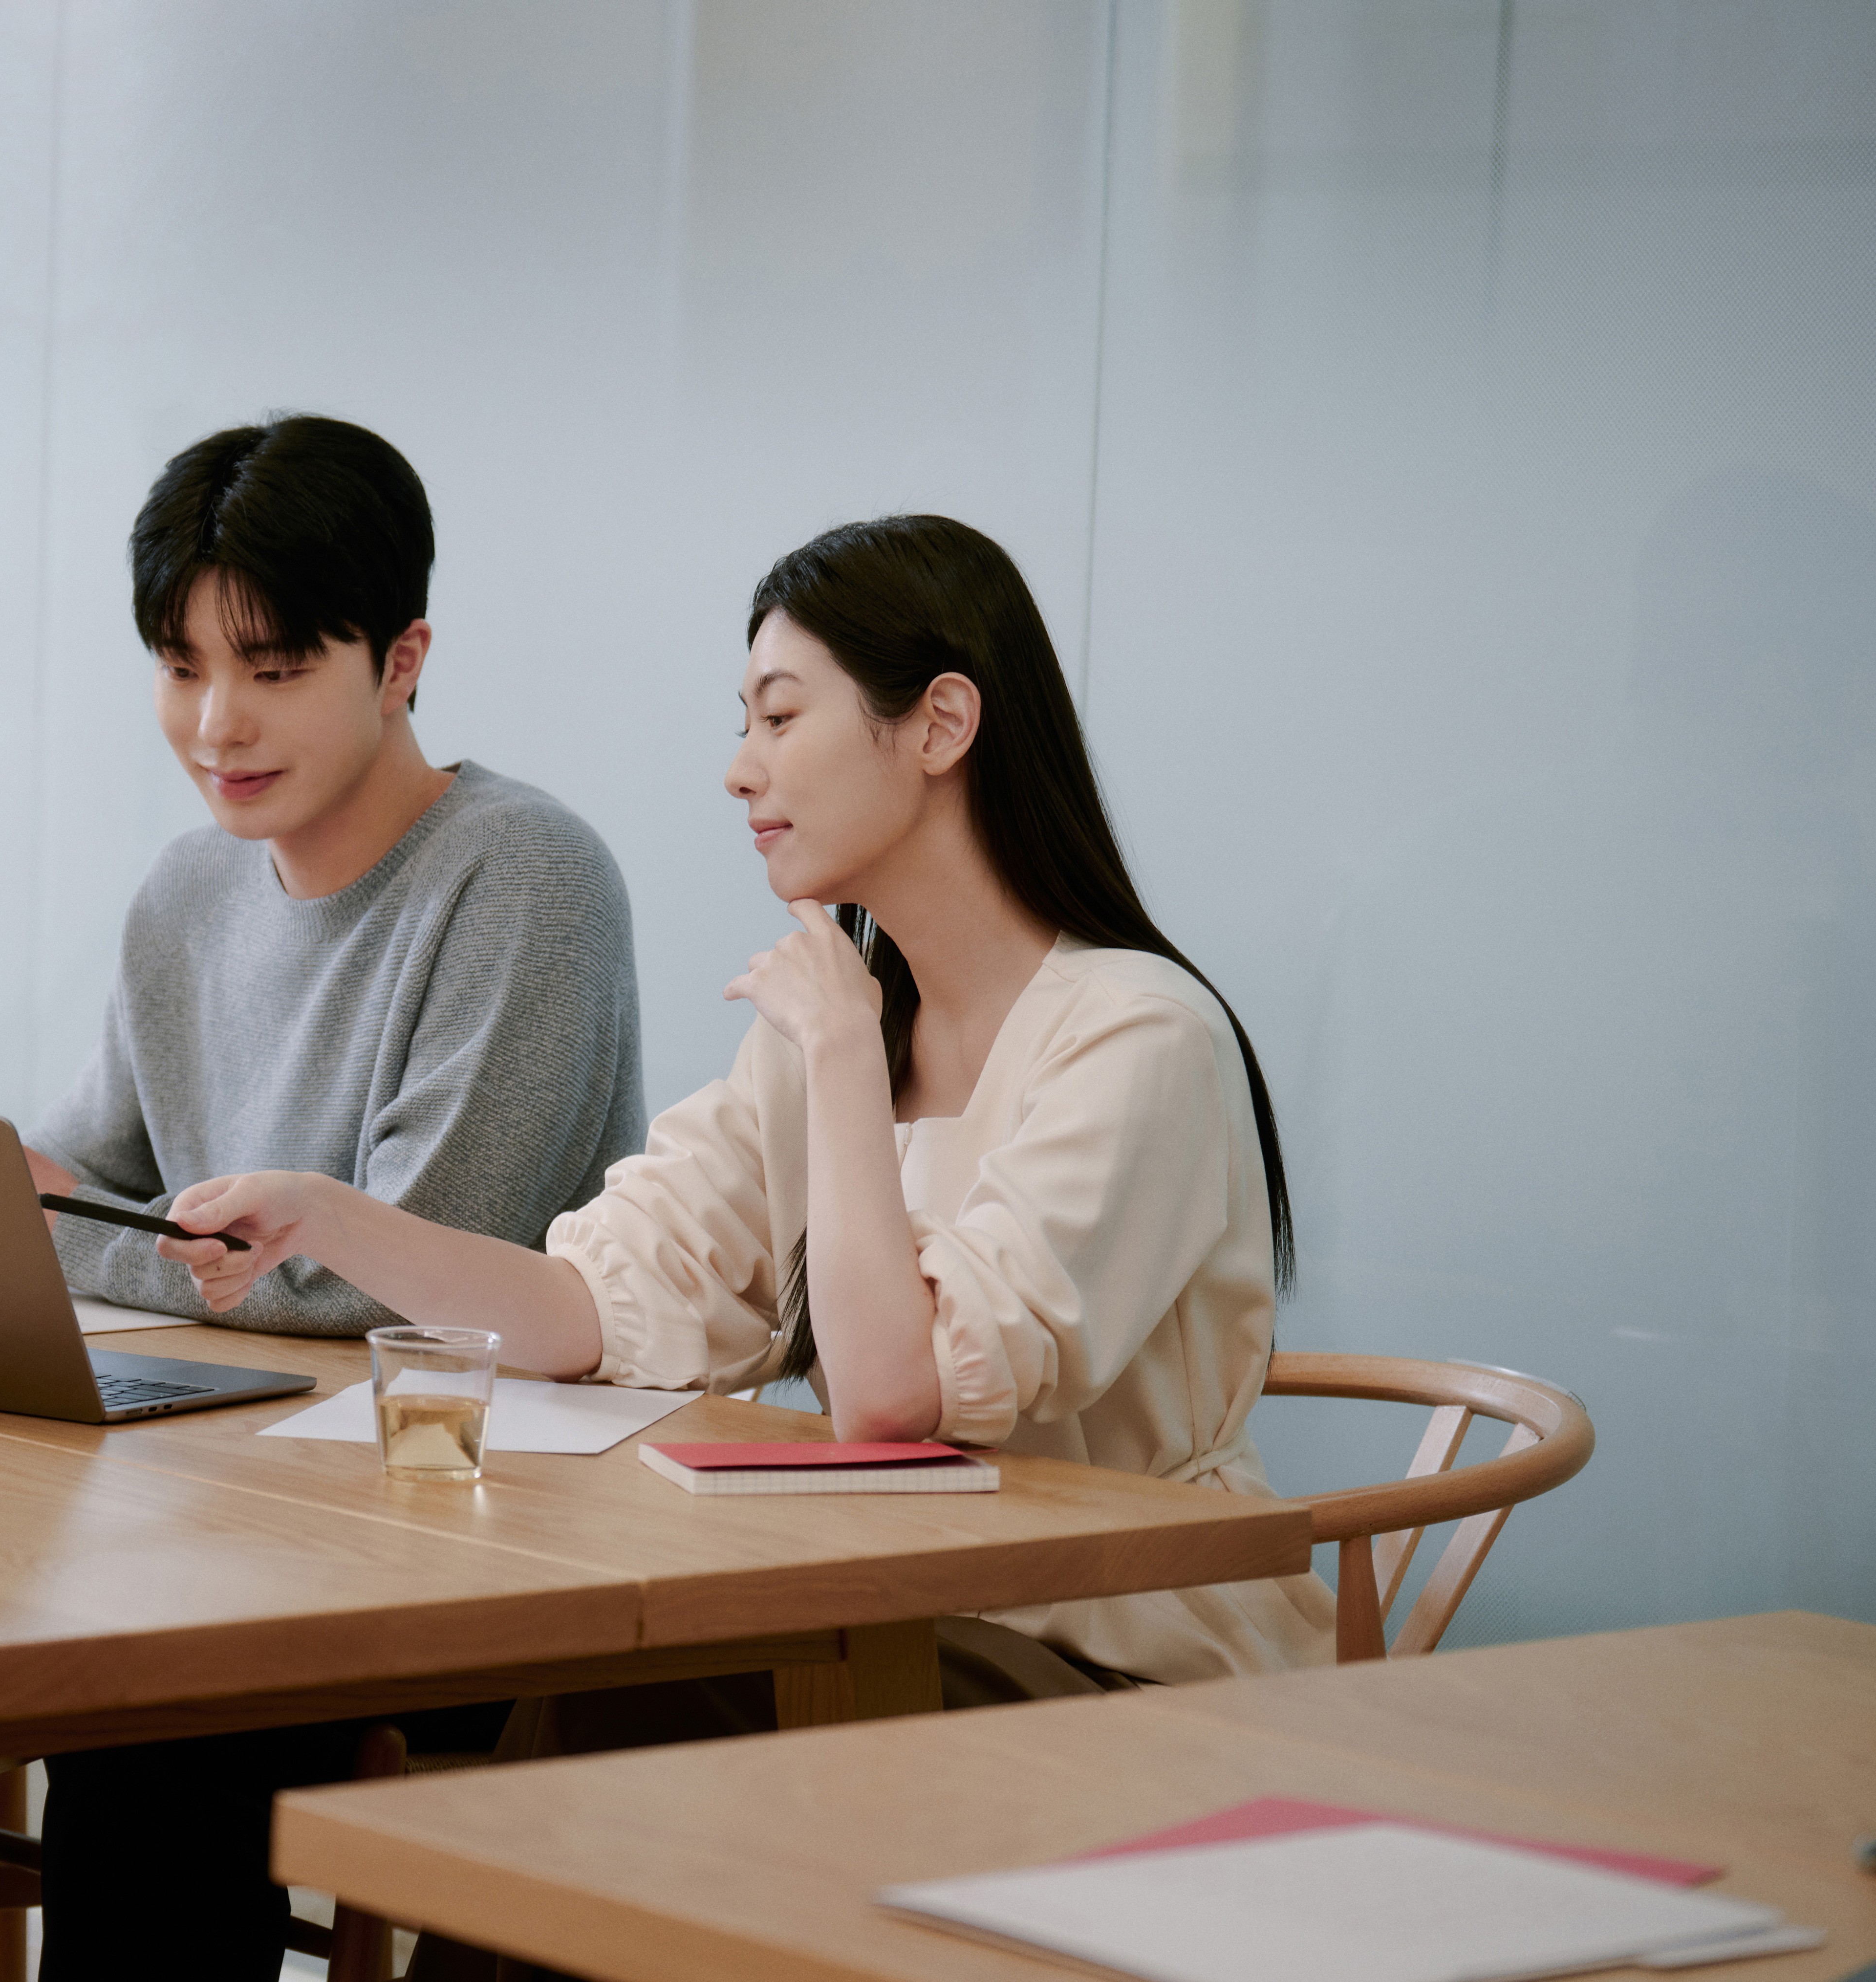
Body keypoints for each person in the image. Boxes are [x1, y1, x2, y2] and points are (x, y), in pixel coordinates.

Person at [162, 514, 1337, 1699]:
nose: (739, 767)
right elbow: (582, 1314)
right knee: (593, 1689)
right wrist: (322, 1218)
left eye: (779, 717)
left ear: (940, 724)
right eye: (744, 725)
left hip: (1110, 1645)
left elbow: (889, 1404)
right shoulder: (830, 1028)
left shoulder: (1136, 1035)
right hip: (891, 1598)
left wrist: (836, 1053)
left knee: (634, 1711)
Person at [0, 414, 648, 1980]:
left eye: (275, 669)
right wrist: (0, 1212)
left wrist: (74, 1232)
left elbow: (380, 1285)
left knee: (146, 1692)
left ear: (402, 657)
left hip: (455, 1530)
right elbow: (82, 1183)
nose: (217, 721)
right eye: (180, 664)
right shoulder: (187, 890)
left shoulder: (524, 878)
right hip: (224, 1495)